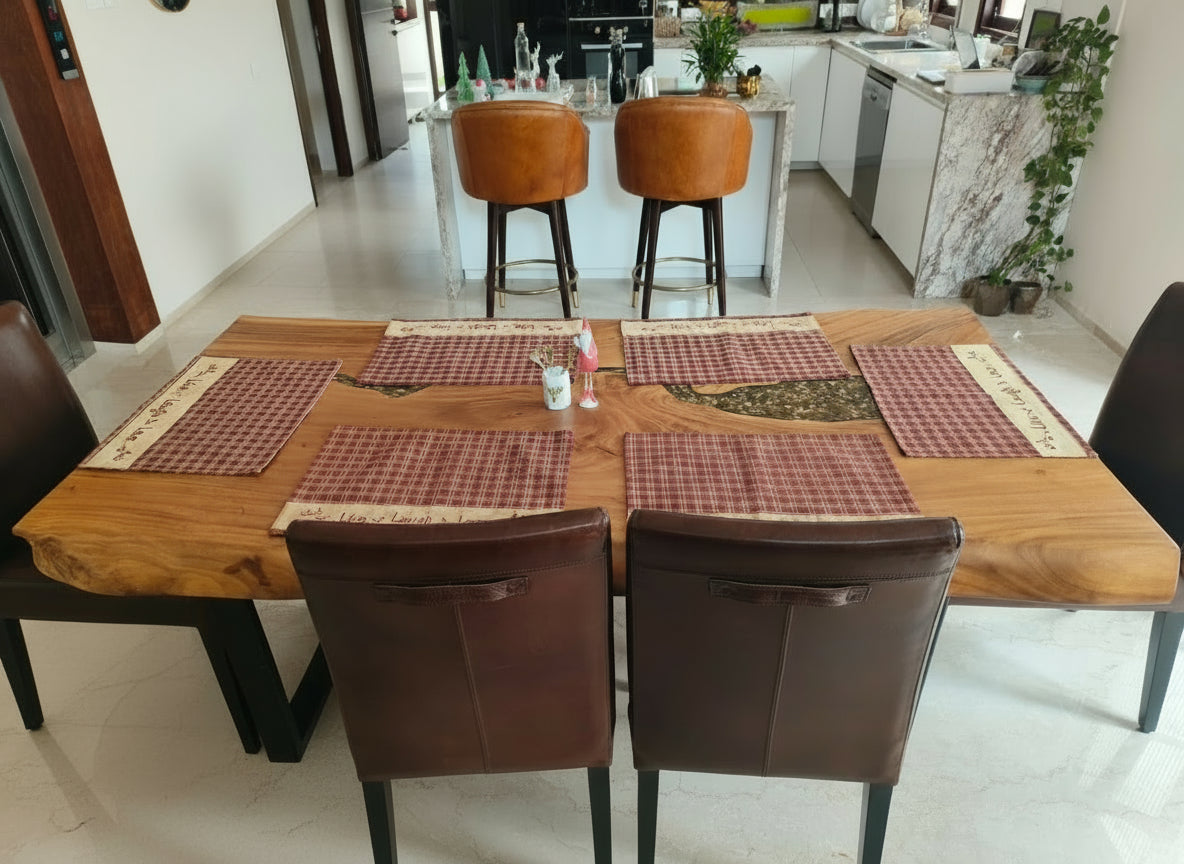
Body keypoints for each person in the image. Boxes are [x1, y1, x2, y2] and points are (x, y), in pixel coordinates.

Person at [573, 318, 598, 408]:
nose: (584, 333)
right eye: (583, 332)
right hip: (584, 363)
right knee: (586, 378)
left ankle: (590, 394)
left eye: (585, 332)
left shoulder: (590, 343)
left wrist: (590, 356)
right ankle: (585, 394)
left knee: (589, 377)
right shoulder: (582, 343)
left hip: (590, 363)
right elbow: (581, 351)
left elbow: (594, 352)